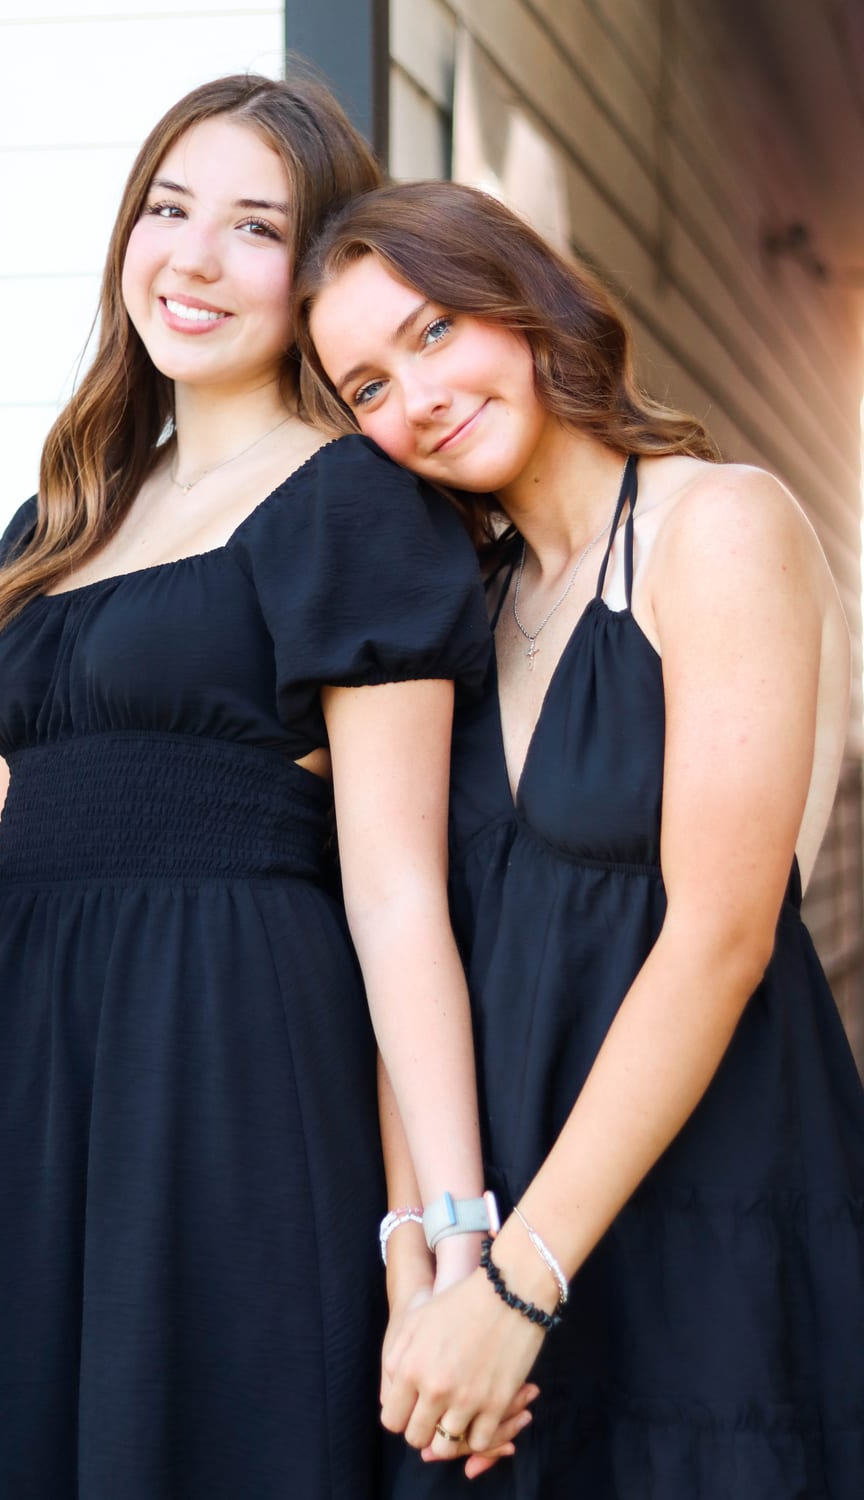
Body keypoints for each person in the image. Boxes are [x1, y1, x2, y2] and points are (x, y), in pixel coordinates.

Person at [0, 83, 535, 1500]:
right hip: (30, 1074)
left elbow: (396, 889)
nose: (190, 257)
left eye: (253, 227)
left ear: (316, 274)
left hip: (226, 1061)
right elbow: (1, 876)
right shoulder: (61, 514)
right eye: (169, 209)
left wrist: (460, 1234)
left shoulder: (353, 505)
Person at [295, 179, 864, 1498]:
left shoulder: (716, 528)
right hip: (490, 1230)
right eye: (368, 387)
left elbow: (721, 939)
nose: (415, 397)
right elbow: (408, 939)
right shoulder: (454, 610)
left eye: (433, 333)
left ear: (524, 300)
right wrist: (423, 1263)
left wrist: (520, 1283)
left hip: (700, 1211)